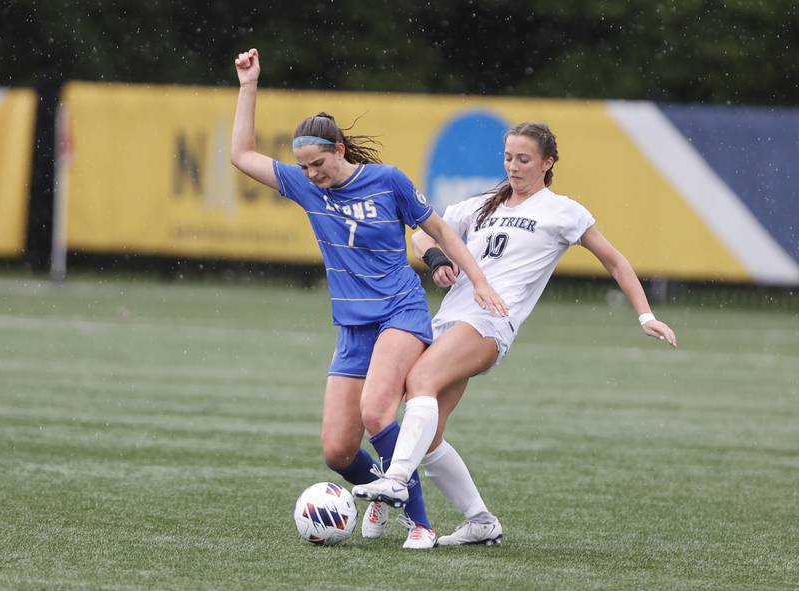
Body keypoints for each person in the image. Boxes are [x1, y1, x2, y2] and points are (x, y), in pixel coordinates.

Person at [230, 48, 507, 549]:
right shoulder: (305, 186)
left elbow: (438, 228)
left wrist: (480, 281)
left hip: (400, 311)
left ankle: (420, 523)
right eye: (304, 167)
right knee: (337, 451)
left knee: (378, 412)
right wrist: (249, 85)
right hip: (352, 325)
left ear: (339, 149)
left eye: (318, 163)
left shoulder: (388, 181)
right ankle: (382, 483)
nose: (312, 174)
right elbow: (241, 156)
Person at [352, 121, 678, 545]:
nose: (514, 166)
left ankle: (394, 481)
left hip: (490, 324)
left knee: (420, 382)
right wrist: (436, 259)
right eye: (508, 158)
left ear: (548, 162)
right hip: (449, 320)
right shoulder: (483, 205)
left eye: (524, 159)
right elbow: (422, 235)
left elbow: (615, 261)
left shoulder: (563, 211)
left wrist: (644, 316)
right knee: (428, 436)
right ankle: (480, 520)